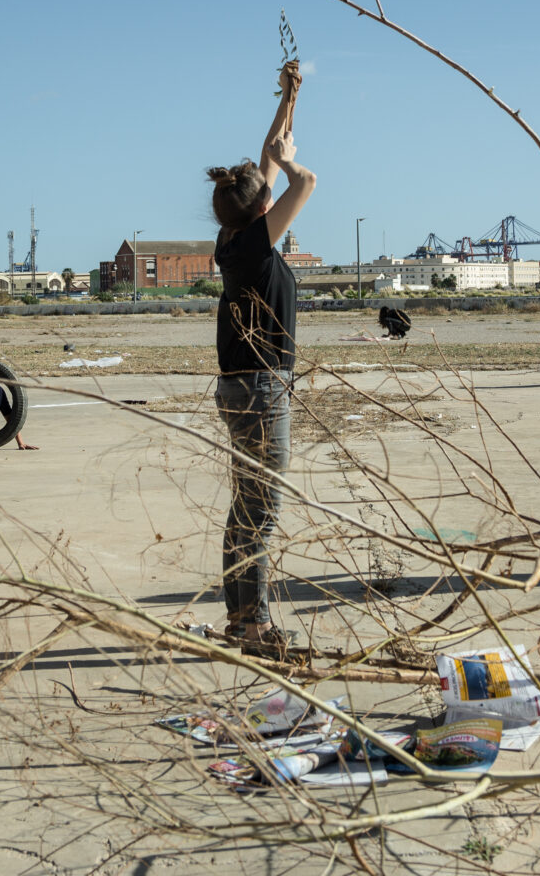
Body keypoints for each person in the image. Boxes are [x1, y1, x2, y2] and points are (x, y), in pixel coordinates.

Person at [207, 58, 315, 658]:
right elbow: (302, 183)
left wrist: (288, 98)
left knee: (245, 505)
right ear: (260, 210)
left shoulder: (231, 237)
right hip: (259, 387)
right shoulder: (251, 243)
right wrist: (292, 158)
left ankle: (242, 618)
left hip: (242, 384)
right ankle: (253, 627)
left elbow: (266, 166)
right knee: (261, 510)